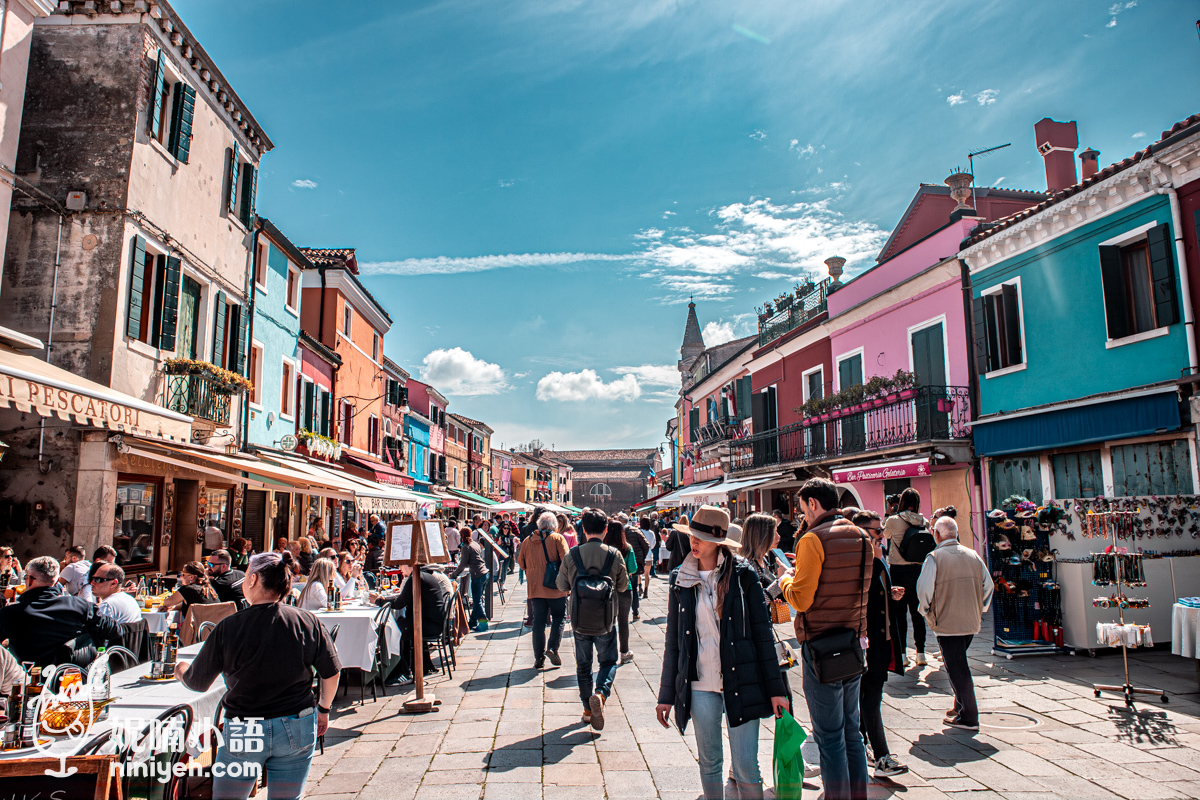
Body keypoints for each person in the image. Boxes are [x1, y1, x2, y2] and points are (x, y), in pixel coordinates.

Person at [176, 552, 340, 800]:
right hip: (296, 722)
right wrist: (324, 709)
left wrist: (180, 671)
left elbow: (197, 683)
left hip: (245, 726)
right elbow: (331, 672)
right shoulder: (307, 621)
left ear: (252, 580)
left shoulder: (229, 627)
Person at [657, 505, 789, 800]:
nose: (695, 541)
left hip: (743, 679)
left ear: (718, 542)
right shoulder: (680, 579)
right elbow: (674, 643)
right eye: (693, 535)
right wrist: (667, 695)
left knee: (745, 767)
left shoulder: (743, 577)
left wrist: (776, 689)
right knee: (710, 762)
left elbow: (762, 634)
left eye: (702, 537)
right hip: (700, 684)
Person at [776, 478, 872, 800]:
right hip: (853, 642)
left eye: (803, 508)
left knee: (829, 737)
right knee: (852, 731)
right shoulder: (862, 536)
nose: (803, 515)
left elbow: (801, 600)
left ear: (814, 504)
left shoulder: (812, 540)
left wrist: (786, 578)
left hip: (821, 647)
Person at [916, 517, 993, 732]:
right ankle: (959, 706)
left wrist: (925, 611)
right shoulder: (973, 555)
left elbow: (924, 590)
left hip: (947, 621)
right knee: (957, 662)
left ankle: (969, 715)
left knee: (957, 667)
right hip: (970, 620)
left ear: (937, 534)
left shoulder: (935, 558)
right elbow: (989, 586)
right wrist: (979, 608)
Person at [556, 508, 628, 731]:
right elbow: (624, 586)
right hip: (606, 618)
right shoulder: (614, 554)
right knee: (608, 662)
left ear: (583, 529)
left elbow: (561, 586)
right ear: (606, 529)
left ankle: (588, 709)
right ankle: (601, 694)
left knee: (583, 665)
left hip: (579, 619)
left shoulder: (572, 555)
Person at [851, 510, 909, 778]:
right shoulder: (858, 565)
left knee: (870, 698)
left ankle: (863, 746)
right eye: (877, 532)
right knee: (870, 699)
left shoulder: (879, 562)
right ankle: (881, 755)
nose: (882, 536)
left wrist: (892, 593)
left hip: (882, 643)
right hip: (865, 644)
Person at [0, 556, 124, 666]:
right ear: (57, 582)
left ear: (29, 580)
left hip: (27, 680)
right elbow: (115, 631)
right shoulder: (81, 606)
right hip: (73, 679)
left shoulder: (10, 613)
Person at [373, 562, 452, 684]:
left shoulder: (416, 577)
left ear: (408, 564)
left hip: (427, 625)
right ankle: (406, 667)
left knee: (392, 629)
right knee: (398, 624)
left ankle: (400, 672)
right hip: (433, 623)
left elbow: (400, 603)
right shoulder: (424, 575)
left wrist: (378, 601)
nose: (399, 568)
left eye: (400, 564)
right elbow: (403, 599)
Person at [517, 512, 569, 669]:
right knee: (559, 618)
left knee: (538, 623)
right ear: (555, 526)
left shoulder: (527, 541)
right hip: (556, 588)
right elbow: (567, 560)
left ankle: (538, 658)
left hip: (535, 588)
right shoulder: (558, 539)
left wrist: (532, 571)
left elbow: (521, 562)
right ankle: (552, 648)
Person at [885, 488, 931, 668]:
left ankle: (902, 654)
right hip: (917, 571)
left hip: (898, 570)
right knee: (918, 613)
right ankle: (921, 653)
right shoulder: (923, 521)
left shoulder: (893, 520)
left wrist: (889, 513)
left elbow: (886, 535)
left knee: (899, 615)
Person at [603, 519, 638, 665]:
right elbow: (633, 569)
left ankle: (608, 653)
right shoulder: (627, 547)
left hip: (606, 588)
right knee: (623, 621)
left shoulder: (603, 548)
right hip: (625, 588)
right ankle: (624, 652)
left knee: (609, 621)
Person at [449, 527, 489, 628]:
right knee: (477, 600)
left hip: (477, 574)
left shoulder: (466, 547)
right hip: (484, 573)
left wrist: (453, 575)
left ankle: (484, 624)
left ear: (461, 536)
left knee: (477, 601)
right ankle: (472, 622)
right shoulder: (475, 544)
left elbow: (462, 565)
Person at [624, 514, 649, 620]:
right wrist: (641, 558)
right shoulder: (636, 531)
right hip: (634, 563)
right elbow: (646, 545)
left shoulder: (616, 531)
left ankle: (623, 613)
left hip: (622, 563)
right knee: (634, 588)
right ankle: (635, 612)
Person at [638, 516, 656, 597]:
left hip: (640, 555)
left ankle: (639, 586)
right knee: (647, 574)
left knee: (639, 573)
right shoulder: (651, 533)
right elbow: (652, 545)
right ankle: (646, 590)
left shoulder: (638, 532)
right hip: (648, 555)